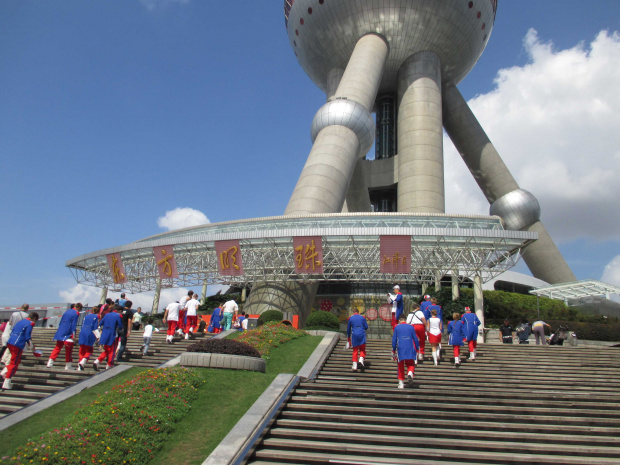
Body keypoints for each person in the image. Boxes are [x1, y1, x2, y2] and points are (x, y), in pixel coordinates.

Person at [1, 312, 39, 390]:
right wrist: (32, 347)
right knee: (14, 363)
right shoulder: (30, 324)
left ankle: (5, 372)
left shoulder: (20, 322)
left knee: (15, 361)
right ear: (34, 318)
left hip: (10, 341)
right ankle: (7, 381)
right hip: (17, 344)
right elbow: (28, 336)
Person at [47, 303, 81, 370]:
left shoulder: (66, 311)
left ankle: (50, 362)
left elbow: (61, 321)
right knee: (69, 349)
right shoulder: (76, 313)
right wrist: (73, 335)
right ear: (79, 308)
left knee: (57, 347)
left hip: (61, 330)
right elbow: (73, 324)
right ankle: (68, 365)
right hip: (68, 332)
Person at [392, 314, 420, 389]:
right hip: (410, 347)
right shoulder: (411, 327)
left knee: (400, 366)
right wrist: (417, 348)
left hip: (401, 348)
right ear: (405, 320)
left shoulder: (397, 328)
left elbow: (394, 339)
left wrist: (393, 350)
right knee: (411, 363)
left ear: (400, 320)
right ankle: (410, 373)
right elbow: (415, 339)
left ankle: (401, 383)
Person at [94, 305, 123, 370]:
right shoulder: (117, 315)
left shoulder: (106, 315)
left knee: (106, 350)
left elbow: (101, 323)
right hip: (112, 335)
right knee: (112, 351)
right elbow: (120, 326)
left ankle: (98, 361)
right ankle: (109, 364)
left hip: (105, 334)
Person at [77, 306, 100, 370]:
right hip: (90, 333)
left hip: (83, 332)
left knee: (81, 350)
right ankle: (83, 361)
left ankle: (80, 365)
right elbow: (95, 328)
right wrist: (98, 337)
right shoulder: (96, 317)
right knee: (89, 350)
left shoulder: (86, 316)